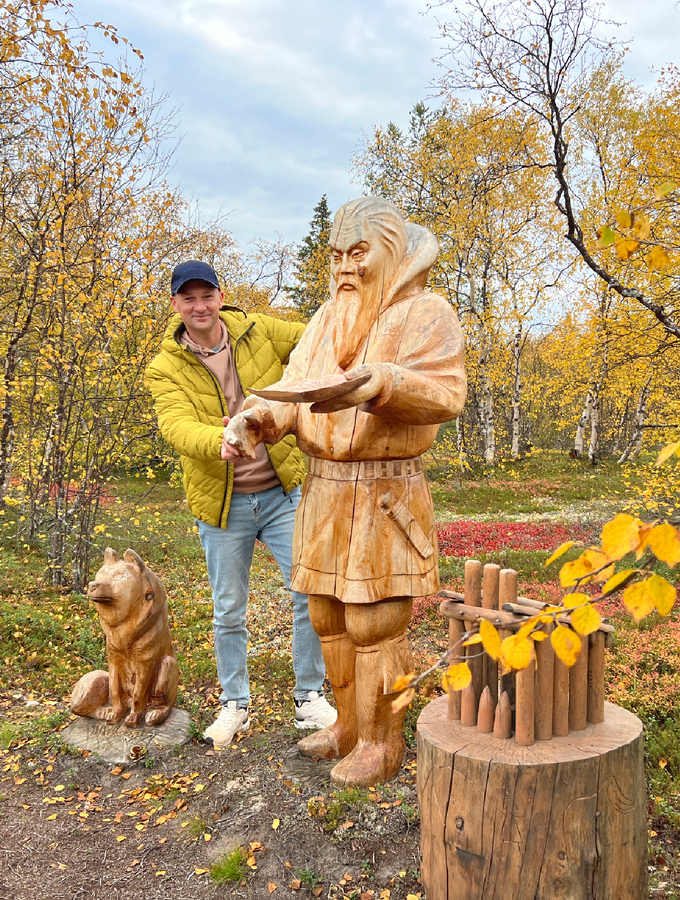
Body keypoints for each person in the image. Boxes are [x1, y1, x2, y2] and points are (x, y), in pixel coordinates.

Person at [223, 198, 467, 785]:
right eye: (336, 256)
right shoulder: (326, 318)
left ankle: (382, 742)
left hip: (385, 494)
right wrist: (255, 420)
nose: (345, 268)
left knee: (376, 623)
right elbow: (294, 388)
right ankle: (348, 728)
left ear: (391, 254)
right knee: (327, 614)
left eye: (359, 253)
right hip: (325, 492)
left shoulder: (426, 313)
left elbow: (446, 393)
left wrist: (384, 381)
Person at [147, 260, 336, 747]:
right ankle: (235, 704)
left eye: (205, 295)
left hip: (282, 492)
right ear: (175, 305)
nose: (199, 306)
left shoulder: (259, 332)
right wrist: (219, 441)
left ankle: (309, 697)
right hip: (223, 506)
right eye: (188, 298)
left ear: (219, 295)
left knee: (308, 593)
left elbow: (319, 332)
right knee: (229, 609)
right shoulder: (165, 366)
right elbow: (175, 425)